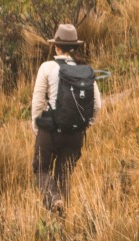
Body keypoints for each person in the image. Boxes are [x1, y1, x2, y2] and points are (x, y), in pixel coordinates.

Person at [31, 23, 102, 214]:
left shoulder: (47, 67)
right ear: (75, 48)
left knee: (40, 169)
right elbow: (97, 105)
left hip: (51, 130)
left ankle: (54, 200)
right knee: (64, 177)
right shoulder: (85, 71)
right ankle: (62, 223)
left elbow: (37, 103)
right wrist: (84, 124)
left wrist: (38, 129)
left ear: (56, 46)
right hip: (75, 134)